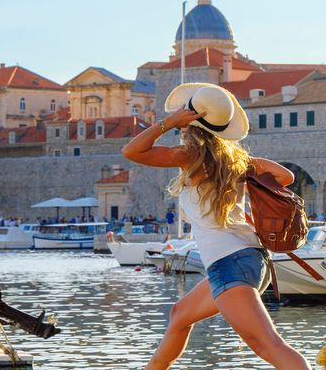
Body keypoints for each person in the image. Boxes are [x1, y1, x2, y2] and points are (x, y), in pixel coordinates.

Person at [122, 83, 309, 370]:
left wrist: (169, 122)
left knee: (268, 345)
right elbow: (284, 176)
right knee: (179, 315)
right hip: (250, 259)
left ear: (190, 124)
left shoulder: (189, 158)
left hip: (229, 264)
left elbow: (132, 151)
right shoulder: (238, 161)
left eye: (185, 119)